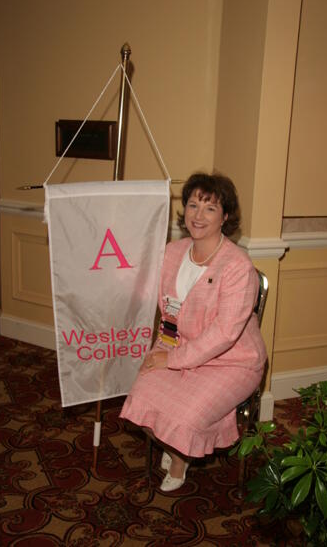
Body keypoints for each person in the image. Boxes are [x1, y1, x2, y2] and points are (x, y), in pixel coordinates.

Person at [120, 172, 267, 492]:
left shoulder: (237, 266)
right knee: (141, 394)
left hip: (233, 361)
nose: (198, 215)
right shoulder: (173, 252)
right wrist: (157, 353)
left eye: (210, 208)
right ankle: (175, 446)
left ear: (225, 216)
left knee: (186, 415)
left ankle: (179, 456)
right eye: (193, 205)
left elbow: (225, 334)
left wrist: (171, 359)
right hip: (180, 346)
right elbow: (168, 314)